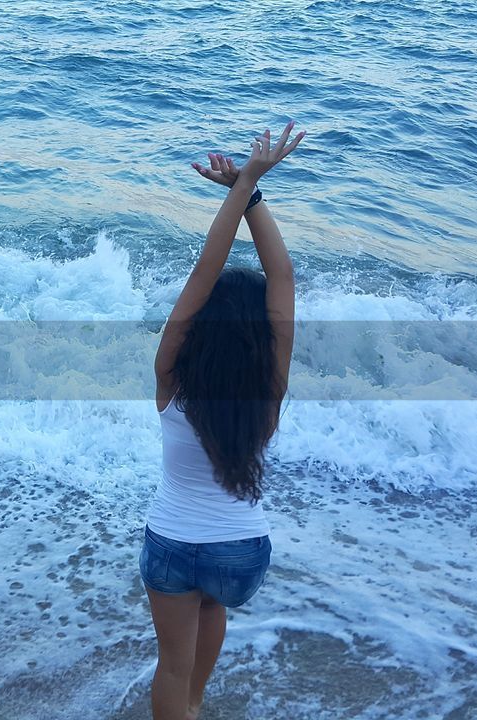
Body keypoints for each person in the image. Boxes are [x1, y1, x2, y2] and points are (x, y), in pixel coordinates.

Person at [141, 120, 304, 720]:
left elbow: (201, 275)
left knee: (171, 666)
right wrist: (252, 193)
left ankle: (183, 708)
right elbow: (282, 277)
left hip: (174, 545)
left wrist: (241, 188)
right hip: (242, 557)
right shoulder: (270, 387)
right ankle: (193, 709)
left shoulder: (171, 378)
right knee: (211, 611)